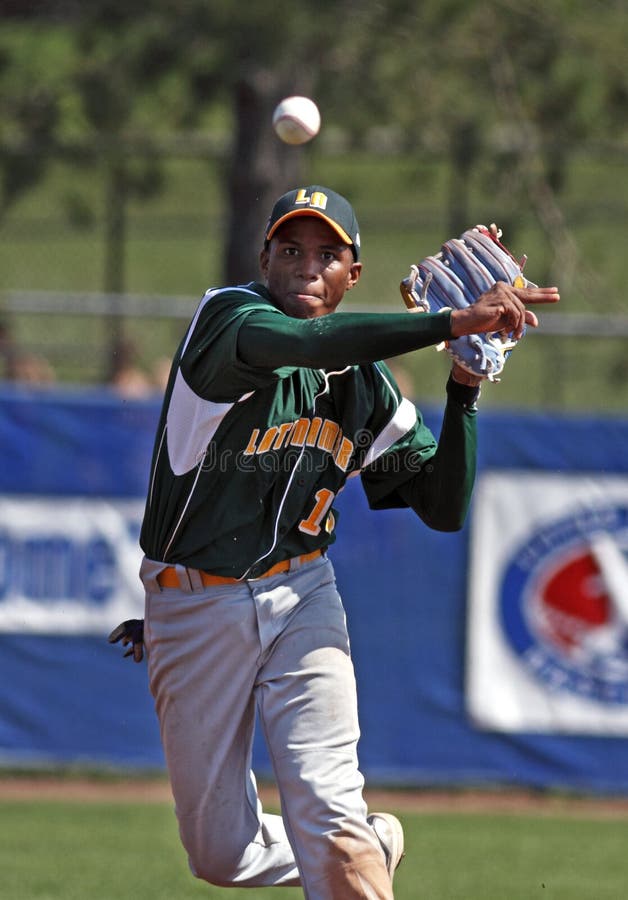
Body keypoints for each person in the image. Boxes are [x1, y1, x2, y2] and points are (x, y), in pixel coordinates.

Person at [110, 185, 559, 898]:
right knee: (220, 854)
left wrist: (463, 388)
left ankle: (348, 842)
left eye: (328, 255)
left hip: (302, 596)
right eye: (290, 250)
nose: (306, 268)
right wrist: (448, 319)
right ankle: (364, 843)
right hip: (193, 607)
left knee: (327, 809)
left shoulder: (368, 390)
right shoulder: (227, 321)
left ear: (354, 275)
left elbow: (441, 508)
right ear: (264, 258)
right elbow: (306, 343)